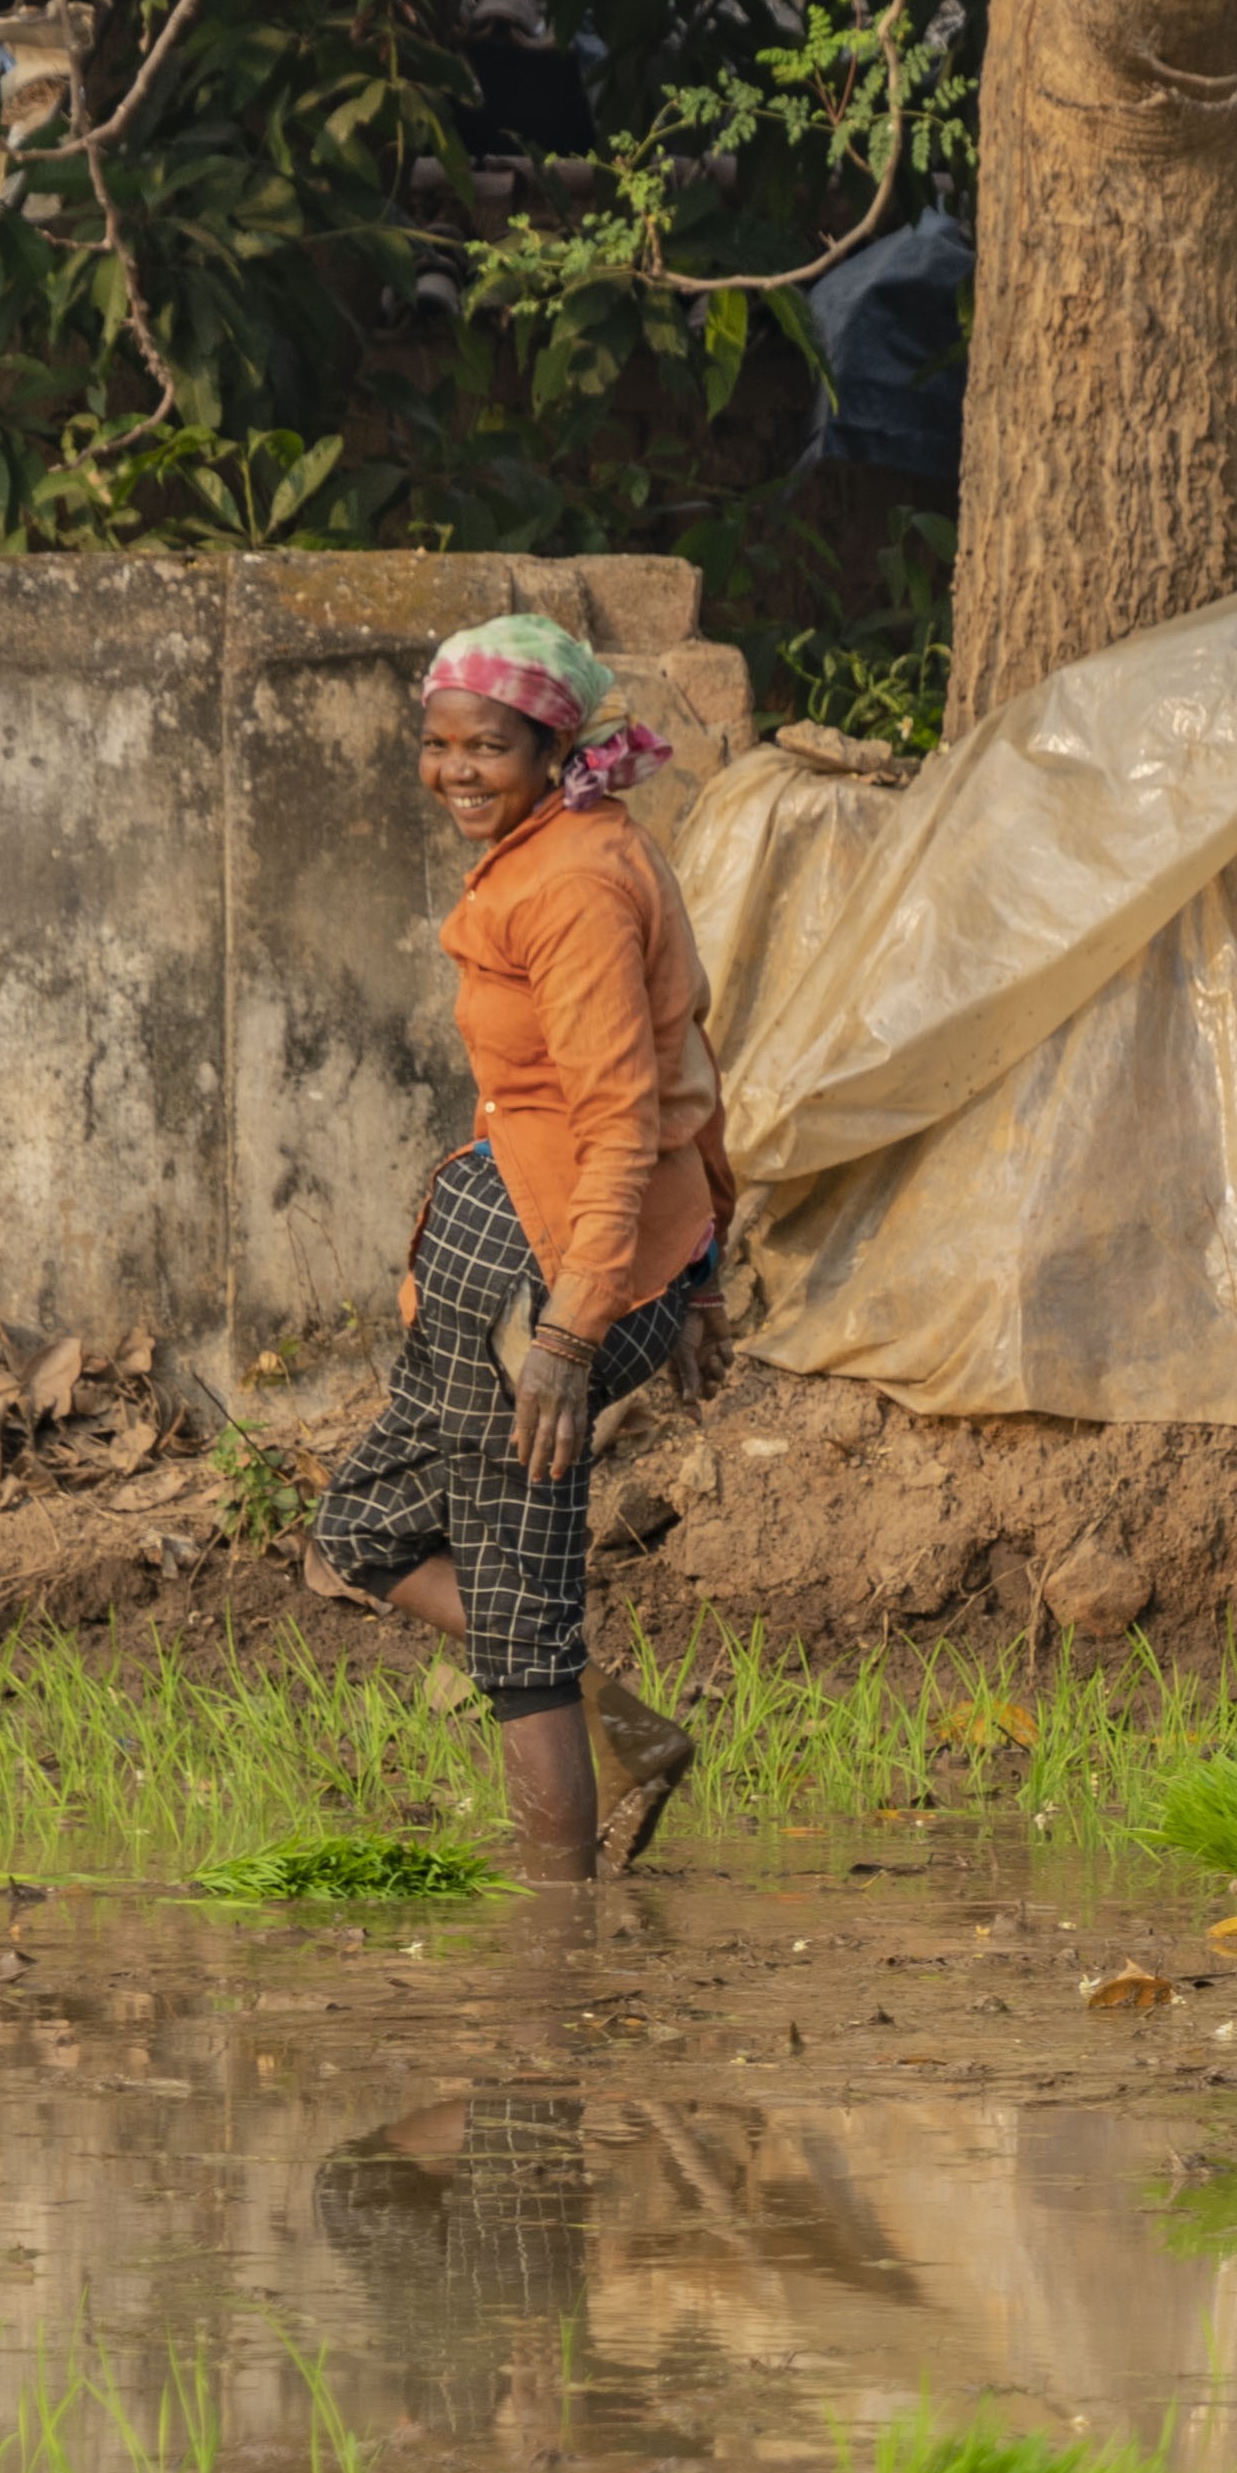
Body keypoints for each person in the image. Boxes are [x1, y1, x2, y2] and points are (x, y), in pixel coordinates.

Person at [302, 611, 735, 1880]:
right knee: (363, 1529)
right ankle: (630, 1732)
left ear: (554, 745)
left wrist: (568, 1332)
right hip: (529, 1250)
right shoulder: (556, 849)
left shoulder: (577, 885)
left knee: (520, 1631)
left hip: (545, 1289)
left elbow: (624, 1114)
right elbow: (683, 1072)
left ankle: (556, 1943)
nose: (454, 771)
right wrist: (701, 1278)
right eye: (436, 745)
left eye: (485, 746)